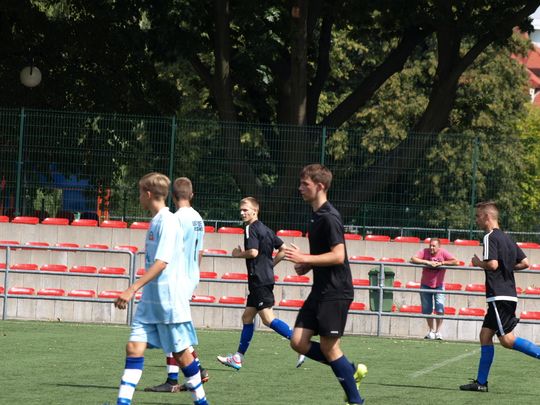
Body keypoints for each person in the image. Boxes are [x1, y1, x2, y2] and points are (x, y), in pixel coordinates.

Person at [114, 173, 208, 405]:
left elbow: (162, 262)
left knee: (181, 354)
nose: (139, 198)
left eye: (140, 193)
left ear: (148, 194)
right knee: (133, 347)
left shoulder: (169, 221)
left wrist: (132, 288)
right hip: (151, 301)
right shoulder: (157, 220)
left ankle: (201, 401)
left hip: (169, 301)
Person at [284, 164, 366, 405]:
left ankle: (356, 400)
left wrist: (306, 258)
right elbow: (325, 254)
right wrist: (308, 264)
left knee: (330, 348)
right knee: (298, 342)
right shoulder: (316, 215)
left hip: (335, 291)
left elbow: (339, 256)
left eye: (305, 184)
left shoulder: (329, 217)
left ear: (320, 186)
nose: (300, 188)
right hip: (320, 290)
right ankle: (349, 370)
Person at [216, 197, 306, 369]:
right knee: (247, 317)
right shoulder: (266, 229)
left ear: (255, 211)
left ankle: (301, 344)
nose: (242, 213)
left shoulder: (250, 228)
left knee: (268, 319)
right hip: (263, 279)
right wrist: (270, 266)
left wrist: (237, 254)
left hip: (259, 280)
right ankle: (238, 357)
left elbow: (253, 252)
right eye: (241, 210)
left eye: (245, 210)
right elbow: (283, 249)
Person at [460, 201, 540, 393]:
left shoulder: (489, 237)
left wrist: (478, 262)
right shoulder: (508, 238)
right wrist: (507, 268)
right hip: (506, 295)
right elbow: (525, 263)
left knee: (507, 340)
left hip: (499, 295)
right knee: (485, 335)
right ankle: (481, 383)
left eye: (478, 216)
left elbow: (493, 264)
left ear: (487, 217)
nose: (476, 220)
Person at [145, 177, 209, 393]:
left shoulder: (175, 219)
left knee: (170, 327)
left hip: (177, 278)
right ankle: (196, 370)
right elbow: (200, 251)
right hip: (191, 276)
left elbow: (171, 251)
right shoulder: (198, 218)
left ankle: (174, 379)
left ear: (172, 196)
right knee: (174, 327)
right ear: (192, 195)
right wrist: (194, 275)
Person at [410, 238, 459, 340]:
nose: (431, 248)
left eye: (434, 246)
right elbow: (413, 259)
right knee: (427, 309)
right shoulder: (425, 251)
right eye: (430, 245)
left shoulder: (443, 252)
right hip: (425, 284)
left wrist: (442, 263)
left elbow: (456, 262)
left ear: (439, 247)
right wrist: (427, 262)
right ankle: (431, 331)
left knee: (440, 308)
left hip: (439, 285)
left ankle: (438, 332)